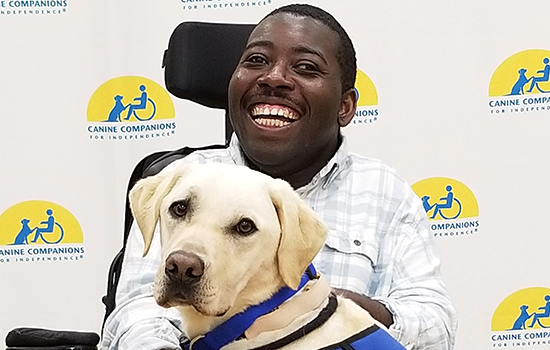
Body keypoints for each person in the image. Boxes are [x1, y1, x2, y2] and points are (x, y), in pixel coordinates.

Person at [100, 4, 458, 349]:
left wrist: (327, 314)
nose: (273, 77)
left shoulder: (384, 191)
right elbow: (136, 311)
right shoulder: (183, 178)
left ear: (345, 106)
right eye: (256, 61)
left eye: (305, 67)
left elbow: (436, 328)